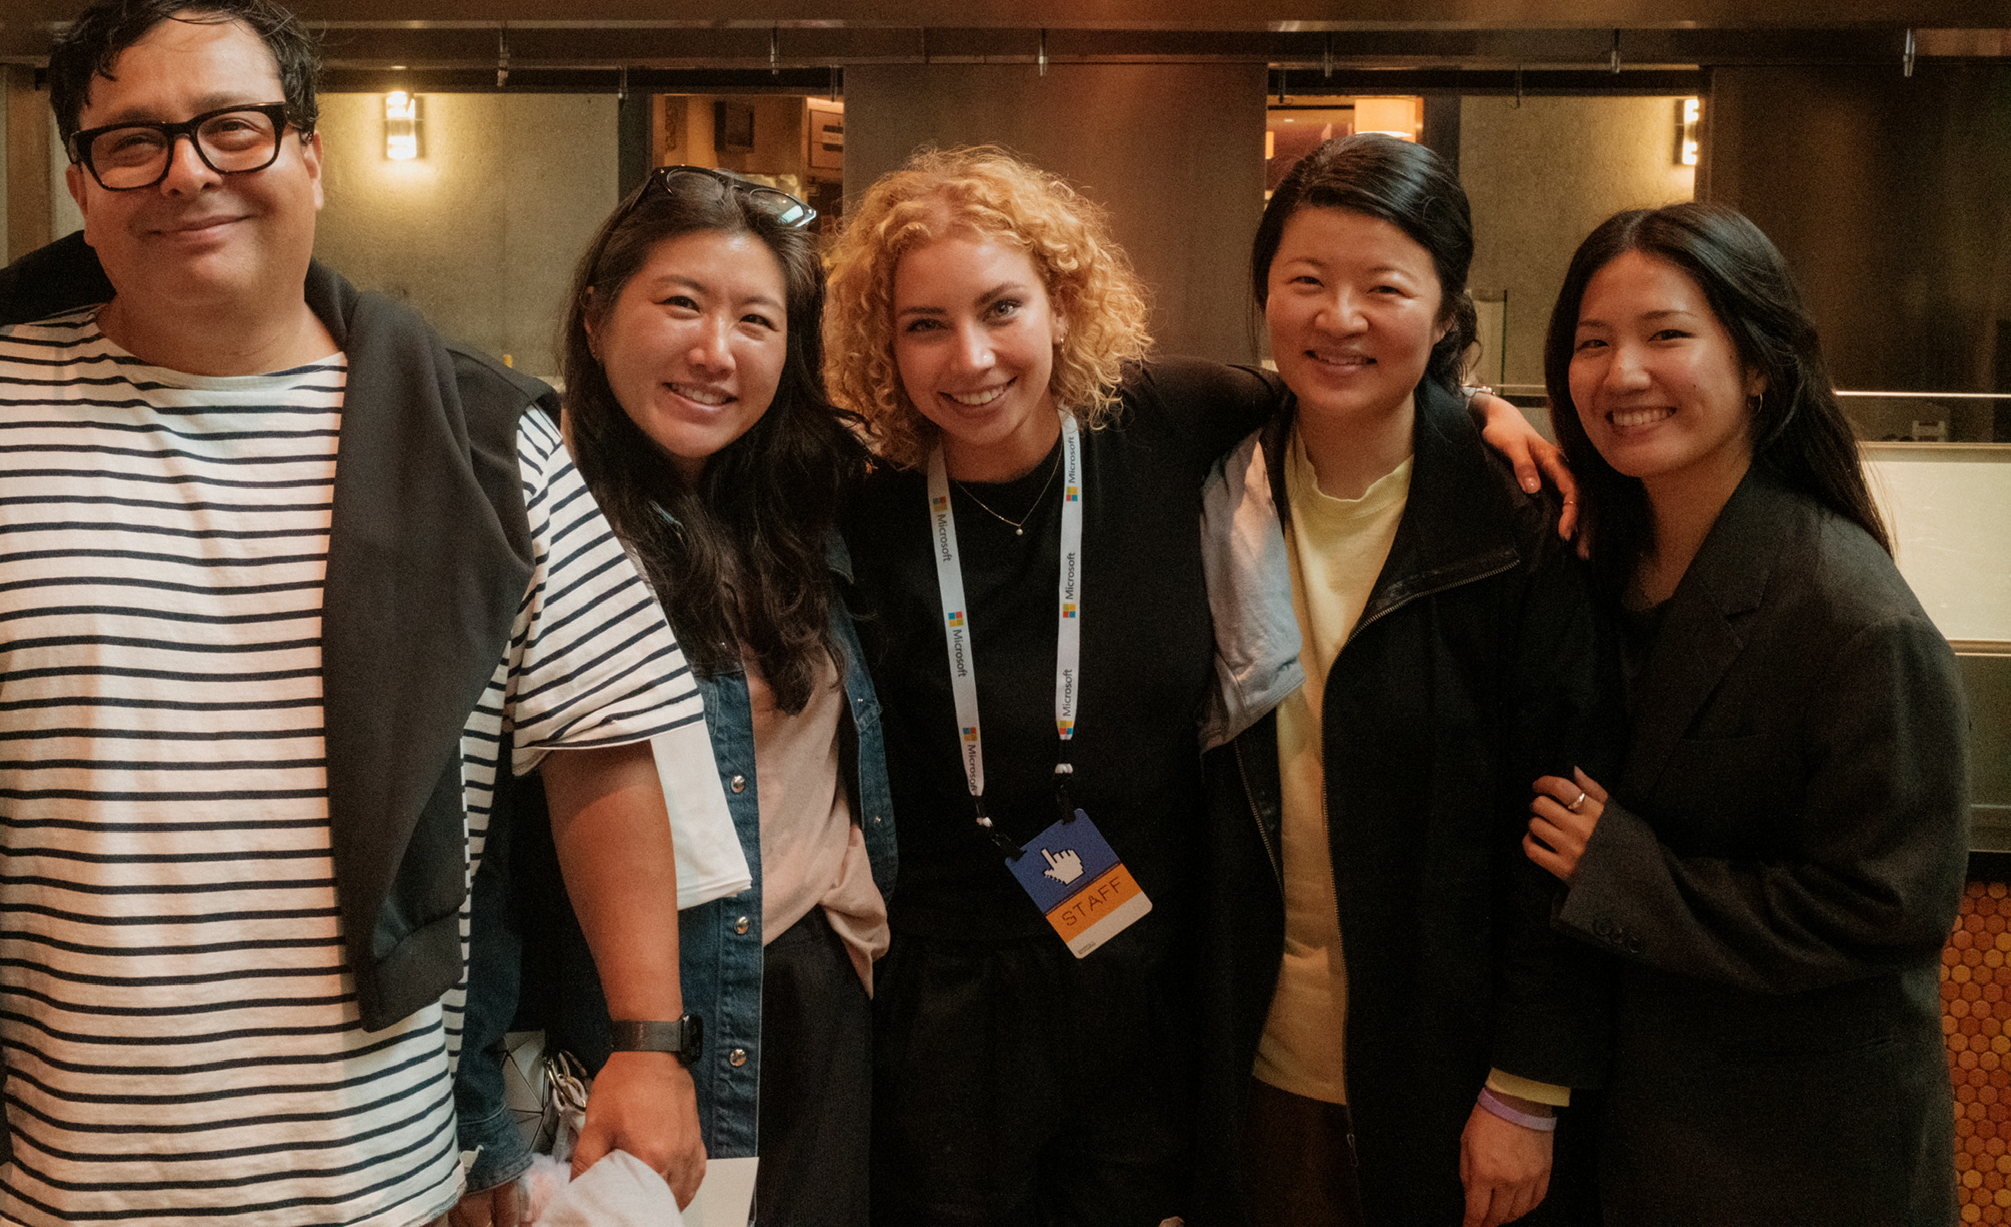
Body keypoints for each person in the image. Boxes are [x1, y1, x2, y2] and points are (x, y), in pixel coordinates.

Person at [0, 0, 705, 1227]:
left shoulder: (479, 442)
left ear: (311, 151)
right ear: (80, 182)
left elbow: (597, 745)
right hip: (19, 1194)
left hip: (368, 1185)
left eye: (232, 126)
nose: (187, 172)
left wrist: (646, 1036)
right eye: (131, 141)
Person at [822, 144, 1565, 1226]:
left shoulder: (1168, 423)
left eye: (1001, 308)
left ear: (1064, 305)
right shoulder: (863, 506)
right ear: (883, 345)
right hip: (946, 999)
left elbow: (1345, 384)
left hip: (1148, 981)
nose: (970, 357)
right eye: (923, 325)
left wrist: (1481, 412)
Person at [1191, 135, 1611, 1227]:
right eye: (1306, 283)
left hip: (1453, 1078)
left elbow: (1561, 820)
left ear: (1443, 308)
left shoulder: (1516, 521)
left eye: (1384, 287)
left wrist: (1527, 1086)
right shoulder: (1207, 488)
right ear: (1264, 297)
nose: (1339, 319)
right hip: (1252, 1065)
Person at [1523, 201, 1967, 1226]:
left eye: (1667, 335)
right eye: (1593, 343)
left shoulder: (1851, 616)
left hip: (1799, 1159)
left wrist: (1627, 873)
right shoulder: (1597, 557)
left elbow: (1889, 910)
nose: (1622, 373)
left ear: (1761, 367)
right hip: (1640, 1137)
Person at [492, 165, 895, 1227]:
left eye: (756, 320)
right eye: (681, 304)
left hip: (818, 984)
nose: (717, 351)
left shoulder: (798, 504)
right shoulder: (527, 512)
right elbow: (469, 846)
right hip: (621, 1018)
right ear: (593, 313)